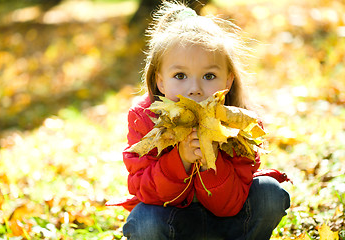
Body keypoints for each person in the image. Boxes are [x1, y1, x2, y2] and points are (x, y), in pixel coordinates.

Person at [108, 1, 291, 239]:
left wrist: (209, 162)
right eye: (180, 75)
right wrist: (180, 160)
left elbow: (230, 205)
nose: (195, 88)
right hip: (173, 223)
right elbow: (144, 190)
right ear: (160, 81)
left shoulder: (238, 122)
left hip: (229, 223)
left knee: (269, 194)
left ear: (227, 81)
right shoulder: (144, 118)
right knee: (143, 219)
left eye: (209, 76)